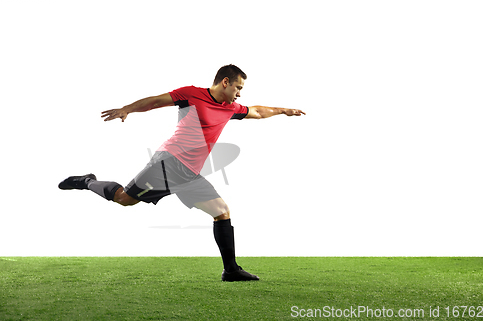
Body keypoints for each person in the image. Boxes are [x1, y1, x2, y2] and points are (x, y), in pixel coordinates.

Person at [59, 65, 306, 281]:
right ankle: (87, 181)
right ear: (225, 82)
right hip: (167, 164)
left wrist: (284, 110)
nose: (240, 93)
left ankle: (230, 270)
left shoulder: (229, 108)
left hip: (189, 174)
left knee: (221, 212)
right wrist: (127, 109)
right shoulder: (192, 95)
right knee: (124, 199)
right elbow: (156, 101)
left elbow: (258, 111)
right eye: (238, 87)